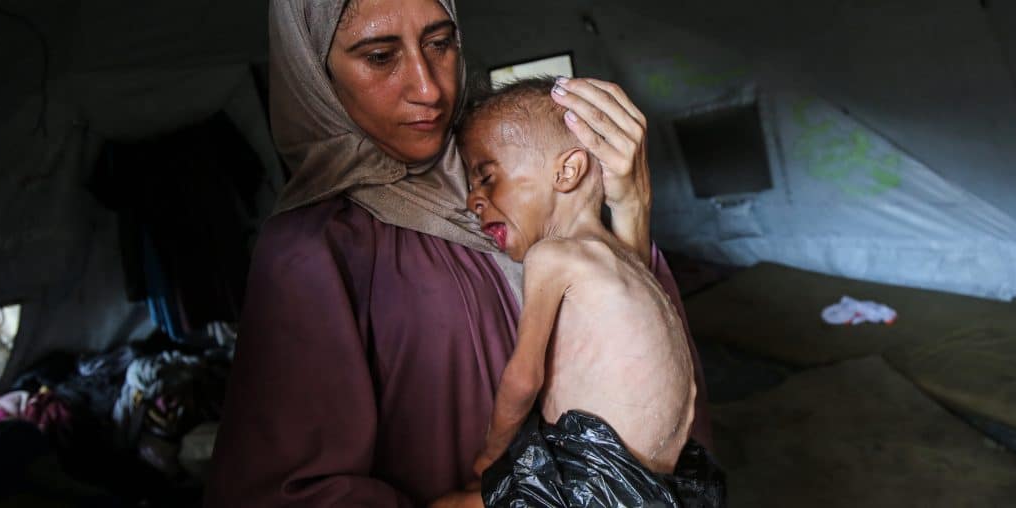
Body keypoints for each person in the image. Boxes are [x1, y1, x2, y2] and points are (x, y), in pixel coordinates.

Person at [204, 0, 712, 506]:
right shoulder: (314, 250)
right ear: (314, 72)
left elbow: (651, 372)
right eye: (381, 56)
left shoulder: (517, 174)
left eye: (440, 44)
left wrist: (631, 208)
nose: (429, 89)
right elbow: (279, 492)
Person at [459, 78, 725, 507]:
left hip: (594, 485)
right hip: (666, 485)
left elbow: (523, 379)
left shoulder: (552, 257)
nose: (474, 198)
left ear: (567, 171)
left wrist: (491, 452)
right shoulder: (631, 261)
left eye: (486, 177)